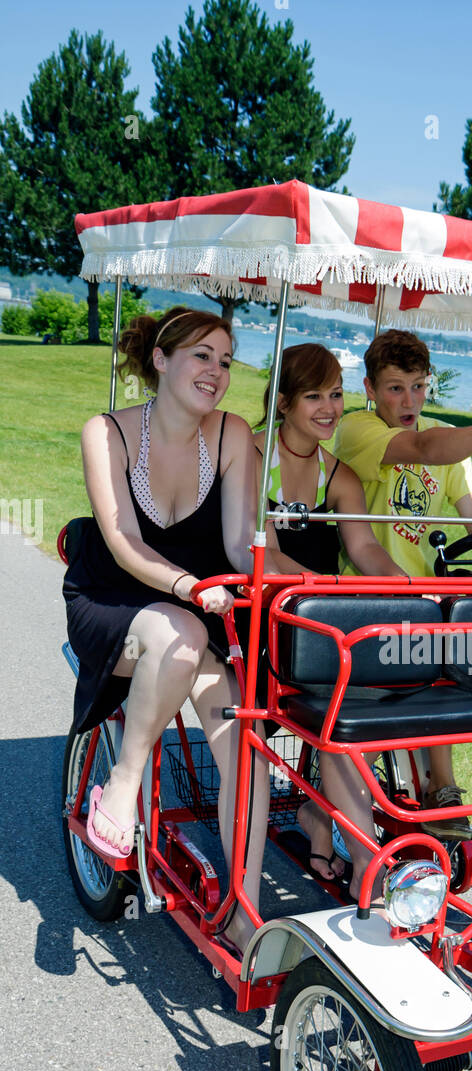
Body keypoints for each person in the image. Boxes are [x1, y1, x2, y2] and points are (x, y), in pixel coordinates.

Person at [63, 305, 267, 957]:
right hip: (114, 598)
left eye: (227, 360)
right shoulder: (108, 432)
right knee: (178, 632)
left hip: (196, 610)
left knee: (246, 743)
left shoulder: (233, 434)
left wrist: (328, 590)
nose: (216, 371)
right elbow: (122, 541)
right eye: (202, 355)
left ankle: (243, 911)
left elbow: (240, 547)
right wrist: (185, 587)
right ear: (161, 359)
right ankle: (121, 787)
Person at [333, 329, 472, 852]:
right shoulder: (357, 430)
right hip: (371, 601)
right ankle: (439, 789)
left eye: (418, 386)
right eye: (394, 388)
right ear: (369, 388)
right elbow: (420, 447)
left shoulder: (452, 443)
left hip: (435, 604)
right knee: (434, 641)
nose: (409, 401)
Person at [253, 343, 405, 900]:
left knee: (374, 690)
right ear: (286, 401)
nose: (329, 408)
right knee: (338, 697)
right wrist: (327, 591)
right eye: (314, 395)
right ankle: (366, 856)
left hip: (319, 621)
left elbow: (365, 549)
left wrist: (409, 591)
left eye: (336, 394)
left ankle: (350, 837)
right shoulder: (249, 455)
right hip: (255, 615)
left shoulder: (337, 475)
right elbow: (264, 556)